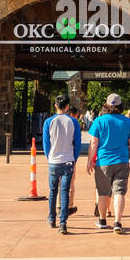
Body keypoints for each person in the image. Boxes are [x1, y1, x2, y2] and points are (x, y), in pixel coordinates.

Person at [86, 93, 130, 233]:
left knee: (103, 193)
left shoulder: (99, 121)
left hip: (103, 162)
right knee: (119, 192)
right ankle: (117, 222)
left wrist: (90, 161)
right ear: (121, 106)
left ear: (107, 106)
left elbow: (93, 143)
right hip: (122, 160)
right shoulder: (128, 122)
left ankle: (102, 220)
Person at [41, 95, 80, 234]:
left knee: (52, 191)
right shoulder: (73, 122)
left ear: (55, 106)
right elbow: (77, 144)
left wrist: (49, 157)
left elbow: (46, 143)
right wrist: (74, 159)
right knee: (64, 192)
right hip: (68, 160)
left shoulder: (48, 122)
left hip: (54, 161)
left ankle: (51, 218)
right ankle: (63, 222)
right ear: (68, 106)